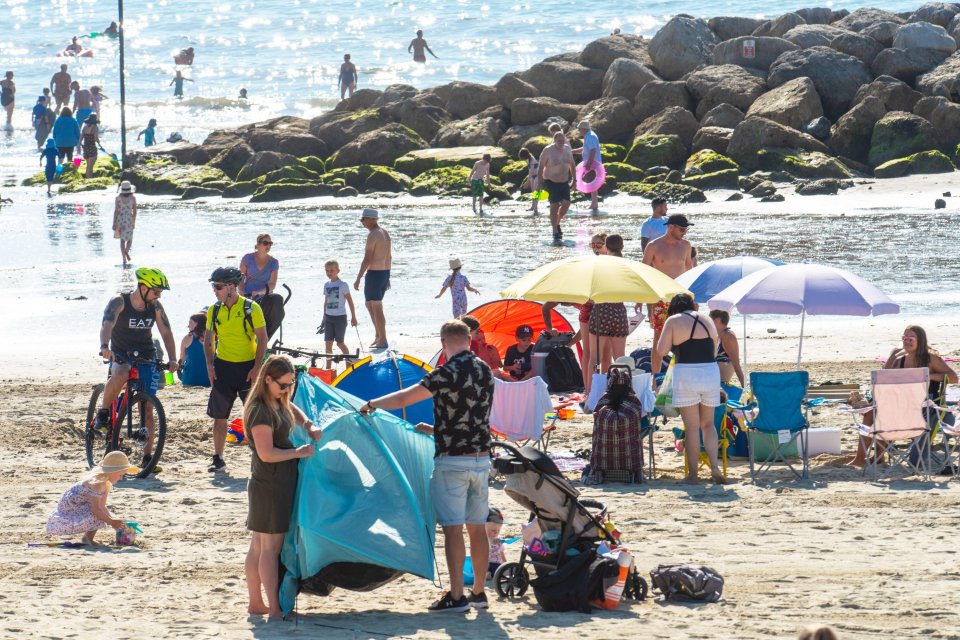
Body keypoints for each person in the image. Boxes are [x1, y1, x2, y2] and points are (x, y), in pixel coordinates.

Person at [359, 320, 493, 612]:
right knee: (477, 528)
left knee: (453, 529)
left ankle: (457, 595)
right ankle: (479, 593)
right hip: (482, 458)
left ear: (444, 343)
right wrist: (435, 429)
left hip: (452, 460)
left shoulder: (445, 372)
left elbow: (406, 397)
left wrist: (372, 403)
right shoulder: (485, 370)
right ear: (469, 341)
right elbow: (470, 416)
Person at [244, 355, 323, 620]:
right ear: (267, 380)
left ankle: (256, 603)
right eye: (283, 384)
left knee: (259, 546)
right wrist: (298, 452)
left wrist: (308, 424)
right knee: (268, 549)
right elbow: (266, 453)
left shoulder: (277, 401)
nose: (286, 389)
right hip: (269, 484)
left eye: (290, 384)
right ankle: (273, 609)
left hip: (276, 482)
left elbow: (291, 409)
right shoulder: (259, 411)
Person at [96, 268, 178, 469]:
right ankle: (104, 413)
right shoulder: (120, 301)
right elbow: (107, 323)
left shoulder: (155, 307)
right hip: (121, 353)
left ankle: (148, 457)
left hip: (146, 353)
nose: (158, 296)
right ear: (143, 287)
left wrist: (173, 359)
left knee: (148, 406)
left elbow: (166, 333)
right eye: (156, 291)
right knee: (121, 373)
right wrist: (105, 346)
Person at [849, 325, 958, 468]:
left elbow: (953, 378)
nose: (907, 341)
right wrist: (893, 357)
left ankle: (879, 456)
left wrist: (929, 376)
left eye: (910, 338)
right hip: (901, 404)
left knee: (883, 414)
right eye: (904, 338)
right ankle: (864, 458)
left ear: (920, 340)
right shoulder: (899, 359)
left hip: (924, 408)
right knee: (871, 413)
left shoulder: (930, 358)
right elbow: (883, 380)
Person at [653, 293, 724, 485]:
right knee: (708, 425)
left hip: (687, 374)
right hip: (710, 372)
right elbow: (715, 350)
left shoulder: (674, 320)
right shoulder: (708, 319)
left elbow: (660, 351)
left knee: (692, 428)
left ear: (674, 308)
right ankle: (715, 468)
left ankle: (693, 475)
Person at [205, 266, 269, 472]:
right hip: (223, 367)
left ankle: (259, 457)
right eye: (214, 287)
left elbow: (263, 340)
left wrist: (257, 368)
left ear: (232, 287)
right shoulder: (214, 310)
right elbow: (208, 339)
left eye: (218, 287)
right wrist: (210, 365)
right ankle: (218, 457)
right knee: (219, 417)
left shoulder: (251, 308)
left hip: (247, 368)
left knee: (253, 416)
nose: (215, 291)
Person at [45, 451, 139, 546]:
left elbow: (102, 506)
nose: (121, 478)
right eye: (120, 475)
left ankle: (88, 538)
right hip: (69, 510)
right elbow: (96, 510)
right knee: (97, 515)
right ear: (112, 472)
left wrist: (113, 521)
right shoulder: (97, 483)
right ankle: (87, 538)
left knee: (101, 515)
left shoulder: (106, 483)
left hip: (80, 506)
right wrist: (111, 522)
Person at [643, 214, 694, 353]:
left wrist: (694, 297)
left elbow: (690, 271)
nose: (684, 233)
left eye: (686, 230)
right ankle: (655, 374)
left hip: (683, 297)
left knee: (686, 337)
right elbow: (644, 274)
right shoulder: (653, 246)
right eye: (682, 230)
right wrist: (642, 301)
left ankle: (680, 371)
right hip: (662, 297)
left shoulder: (686, 245)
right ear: (671, 227)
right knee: (659, 339)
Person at [590, 235, 630, 373]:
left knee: (595, 358)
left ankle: (591, 392)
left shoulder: (601, 263)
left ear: (606, 246)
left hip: (602, 309)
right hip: (619, 311)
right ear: (622, 246)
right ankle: (621, 389)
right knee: (620, 358)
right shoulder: (626, 265)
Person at [353, 209, 392, 349]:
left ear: (370, 219)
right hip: (383, 273)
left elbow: (367, 258)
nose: (362, 222)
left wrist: (358, 277)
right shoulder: (384, 232)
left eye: (363, 219)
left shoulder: (373, 235)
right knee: (369, 304)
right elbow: (389, 256)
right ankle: (378, 335)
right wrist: (388, 276)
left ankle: (383, 339)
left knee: (376, 306)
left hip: (375, 274)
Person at [537, 131, 576, 243]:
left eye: (563, 141)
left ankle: (557, 222)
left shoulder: (567, 149)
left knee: (566, 204)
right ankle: (555, 231)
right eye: (559, 141)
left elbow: (572, 165)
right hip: (550, 181)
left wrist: (575, 179)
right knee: (554, 205)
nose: (561, 143)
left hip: (564, 181)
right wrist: (539, 184)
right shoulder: (548, 150)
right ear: (554, 141)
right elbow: (540, 168)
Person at [321, 259, 358, 368]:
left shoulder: (343, 285)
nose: (329, 273)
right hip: (328, 317)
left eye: (332, 270)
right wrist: (323, 317)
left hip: (340, 318)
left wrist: (354, 317)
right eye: (327, 271)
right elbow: (326, 302)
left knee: (340, 343)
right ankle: (328, 368)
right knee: (328, 343)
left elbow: (350, 301)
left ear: (338, 270)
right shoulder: (326, 285)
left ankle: (349, 365)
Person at [709, 309, 745, 387]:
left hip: (721, 384)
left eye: (710, 320)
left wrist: (744, 386)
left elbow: (736, 363)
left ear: (717, 320)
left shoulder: (727, 336)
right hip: (714, 383)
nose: (708, 323)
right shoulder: (719, 336)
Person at [573, 120, 602, 212]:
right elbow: (586, 149)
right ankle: (594, 203)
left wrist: (589, 163)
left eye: (580, 129)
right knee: (592, 182)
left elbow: (593, 150)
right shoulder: (589, 135)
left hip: (593, 164)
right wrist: (573, 151)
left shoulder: (590, 136)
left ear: (584, 129)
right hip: (593, 163)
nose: (579, 131)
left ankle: (594, 204)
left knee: (592, 182)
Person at [240, 232, 279, 298]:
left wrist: (260, 293)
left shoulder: (274, 262)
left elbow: (272, 284)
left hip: (265, 297)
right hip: (248, 295)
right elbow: (241, 278)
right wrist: (241, 293)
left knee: (278, 299)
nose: (268, 246)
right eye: (265, 243)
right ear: (258, 244)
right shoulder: (247, 258)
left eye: (270, 243)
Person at [179, 312, 211, 387]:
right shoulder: (212, 337)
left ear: (198, 324)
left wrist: (178, 369)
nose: (188, 325)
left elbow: (182, 358)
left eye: (190, 323)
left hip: (190, 380)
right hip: (210, 380)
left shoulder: (188, 338)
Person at [113, 180, 137, 265]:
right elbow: (134, 211)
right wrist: (133, 222)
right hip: (129, 220)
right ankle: (126, 251)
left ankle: (124, 259)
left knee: (122, 241)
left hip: (120, 220)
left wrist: (114, 223)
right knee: (130, 240)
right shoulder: (133, 198)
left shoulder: (118, 198)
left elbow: (116, 211)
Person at [485, 508, 506, 580]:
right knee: (496, 572)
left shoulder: (498, 540)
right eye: (493, 530)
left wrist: (505, 565)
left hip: (497, 564)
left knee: (505, 570)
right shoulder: (481, 540)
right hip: (484, 564)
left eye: (498, 530)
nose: (496, 532)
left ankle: (501, 573)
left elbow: (502, 553)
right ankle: (487, 573)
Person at [518, 147, 540, 213]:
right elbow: (530, 172)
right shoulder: (528, 159)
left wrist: (527, 182)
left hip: (537, 176)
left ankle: (536, 208)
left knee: (536, 192)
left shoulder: (532, 160)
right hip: (532, 176)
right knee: (533, 192)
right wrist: (529, 180)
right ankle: (533, 206)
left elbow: (531, 172)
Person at [80, 114, 99, 178]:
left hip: (85, 148)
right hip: (92, 147)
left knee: (88, 165)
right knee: (91, 166)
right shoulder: (95, 127)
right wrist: (99, 143)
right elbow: (96, 138)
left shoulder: (84, 127)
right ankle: (89, 179)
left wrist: (79, 147)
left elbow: (80, 139)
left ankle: (88, 178)